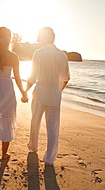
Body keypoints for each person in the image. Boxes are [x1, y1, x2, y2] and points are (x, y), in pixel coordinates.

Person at [24, 27, 70, 166]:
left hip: (40, 94)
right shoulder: (62, 55)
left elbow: (32, 77)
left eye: (39, 37)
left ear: (43, 38)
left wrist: (25, 92)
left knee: (35, 122)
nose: (38, 40)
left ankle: (33, 147)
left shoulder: (38, 53)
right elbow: (66, 78)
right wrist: (58, 90)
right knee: (53, 127)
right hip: (54, 96)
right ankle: (49, 158)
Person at [0, 26, 28, 164]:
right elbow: (18, 79)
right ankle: (4, 154)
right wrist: (24, 94)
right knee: (6, 123)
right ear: (9, 39)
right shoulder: (13, 57)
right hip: (7, 93)